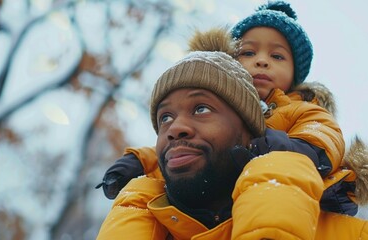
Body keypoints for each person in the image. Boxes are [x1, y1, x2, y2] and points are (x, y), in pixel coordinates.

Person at [97, 0, 365, 214]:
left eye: (277, 56)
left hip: (279, 189)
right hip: (215, 198)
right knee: (142, 197)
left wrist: (279, 146)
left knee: (271, 176)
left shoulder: (303, 109)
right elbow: (188, 144)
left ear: (295, 73)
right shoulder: (218, 109)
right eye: (248, 52)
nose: (261, 61)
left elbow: (321, 137)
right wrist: (139, 161)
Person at [96, 48, 368, 239]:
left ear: (250, 132)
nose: (174, 128)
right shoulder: (134, 221)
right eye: (165, 117)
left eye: (201, 109)